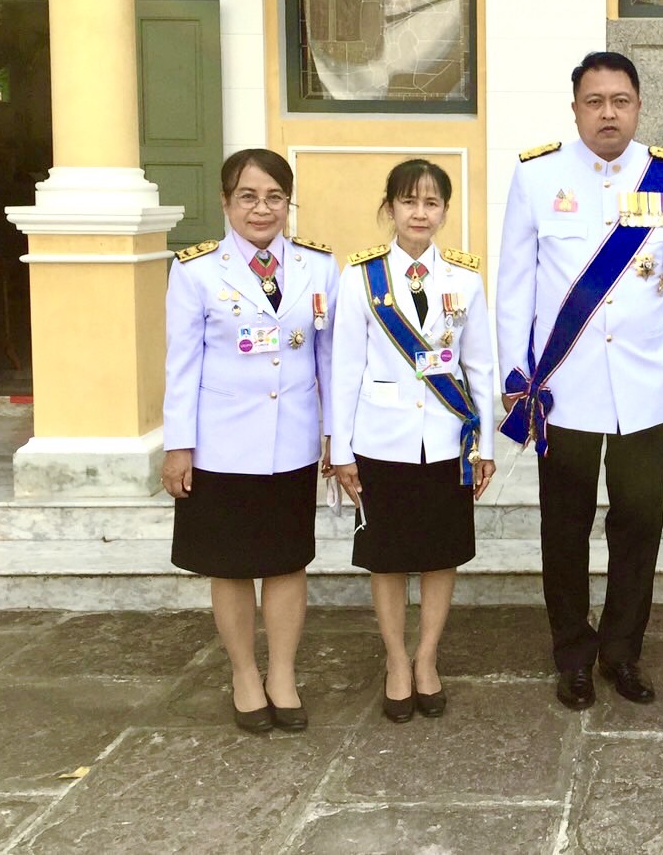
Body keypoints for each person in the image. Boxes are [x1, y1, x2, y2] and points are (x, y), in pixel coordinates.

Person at [496, 51, 663, 710]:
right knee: (564, 526)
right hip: (564, 385)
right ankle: (572, 652)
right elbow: (513, 285)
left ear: (639, 106)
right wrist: (515, 374)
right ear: (575, 109)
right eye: (595, 101)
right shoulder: (538, 176)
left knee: (639, 522)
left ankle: (622, 649)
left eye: (620, 100)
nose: (608, 112)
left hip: (647, 383)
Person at [162, 149, 338, 733]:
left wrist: (336, 436)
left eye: (274, 198)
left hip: (290, 442)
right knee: (231, 566)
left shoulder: (318, 267)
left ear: (288, 203)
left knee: (287, 563)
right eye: (248, 196)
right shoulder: (196, 272)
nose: (261, 209)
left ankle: (282, 673)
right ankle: (244, 673)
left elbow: (329, 359)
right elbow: (181, 366)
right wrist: (178, 445)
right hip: (222, 446)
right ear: (226, 202)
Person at [330, 159, 496, 722]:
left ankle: (427, 658)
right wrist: (342, 450)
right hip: (382, 440)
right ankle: (396, 660)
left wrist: (486, 447)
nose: (419, 213)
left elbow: (481, 367)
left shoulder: (465, 277)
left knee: (440, 557)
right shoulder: (361, 277)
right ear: (390, 208)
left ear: (446, 211)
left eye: (431, 203)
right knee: (388, 559)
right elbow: (344, 367)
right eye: (408, 201)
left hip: (448, 441)